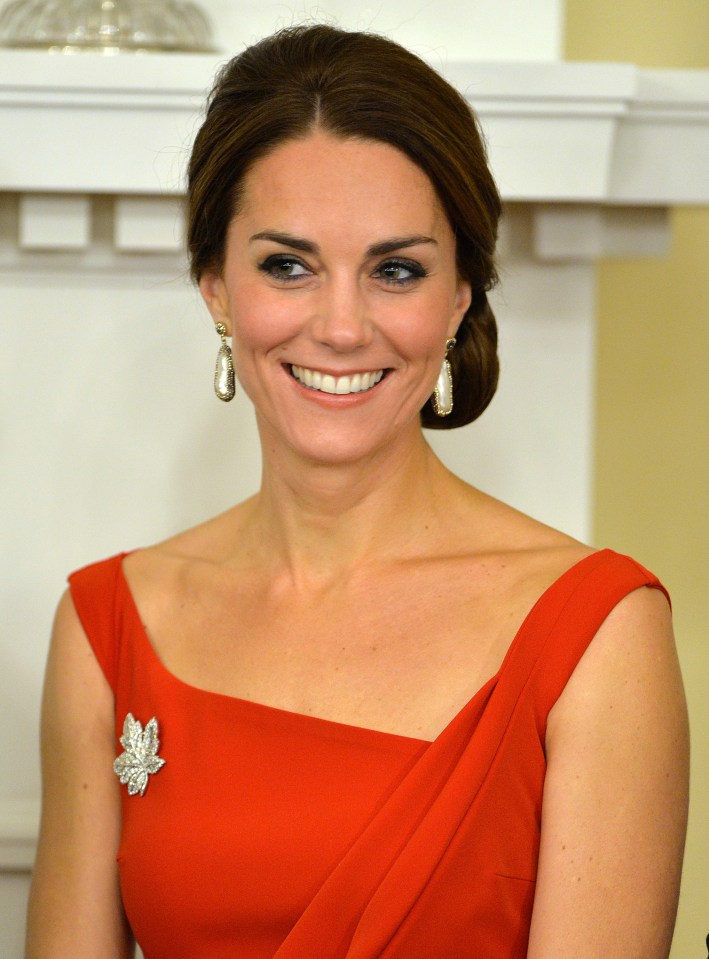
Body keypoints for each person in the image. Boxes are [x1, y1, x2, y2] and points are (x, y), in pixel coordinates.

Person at [26, 23, 689, 959]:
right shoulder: (106, 629)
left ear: (459, 296)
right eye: (287, 265)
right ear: (215, 284)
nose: (341, 326)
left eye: (395, 270)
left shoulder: (597, 635)